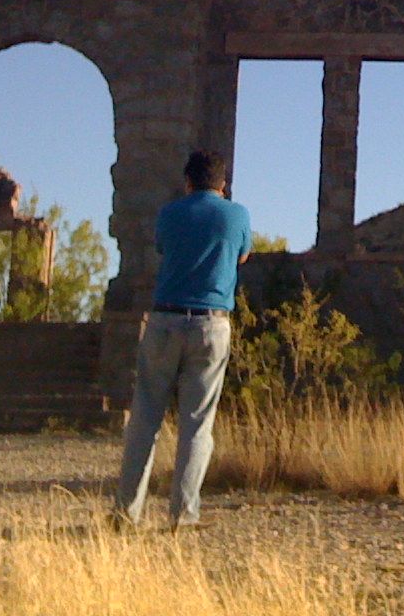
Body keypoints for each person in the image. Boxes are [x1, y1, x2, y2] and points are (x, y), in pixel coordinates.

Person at [114, 149, 251, 530]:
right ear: (223, 185)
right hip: (211, 323)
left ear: (187, 181)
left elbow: (162, 247)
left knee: (144, 419)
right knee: (196, 424)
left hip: (163, 321)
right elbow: (242, 257)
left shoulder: (170, 213)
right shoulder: (237, 215)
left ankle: (127, 513)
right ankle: (182, 515)